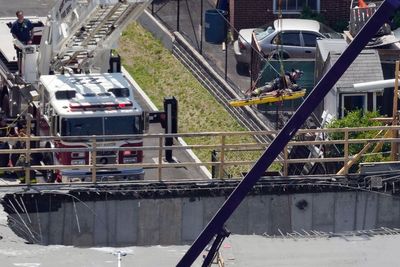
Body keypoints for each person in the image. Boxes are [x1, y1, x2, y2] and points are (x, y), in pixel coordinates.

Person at [10, 10, 33, 75]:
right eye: (20, 15)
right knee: (19, 57)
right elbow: (13, 33)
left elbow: (32, 30)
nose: (21, 16)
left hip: (27, 43)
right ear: (17, 16)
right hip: (19, 44)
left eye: (22, 15)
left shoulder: (27, 22)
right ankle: (20, 70)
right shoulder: (15, 24)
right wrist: (17, 41)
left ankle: (27, 69)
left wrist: (31, 39)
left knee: (28, 56)